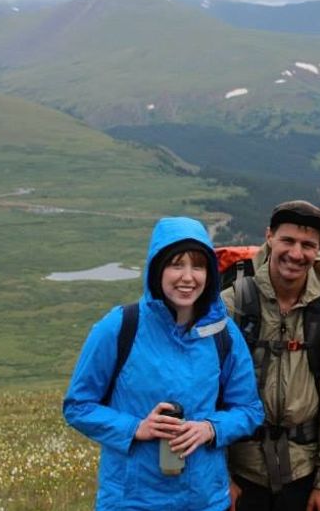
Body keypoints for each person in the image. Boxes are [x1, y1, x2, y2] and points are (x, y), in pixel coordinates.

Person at [63, 216, 265, 511]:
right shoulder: (120, 327)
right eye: (176, 264)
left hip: (204, 499)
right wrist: (136, 428)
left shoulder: (223, 333)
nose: (188, 277)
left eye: (198, 265)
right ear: (157, 269)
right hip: (131, 501)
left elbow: (249, 410)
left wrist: (210, 428)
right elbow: (77, 406)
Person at [222, 200, 320, 511]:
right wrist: (219, 475)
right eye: (288, 240)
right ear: (270, 236)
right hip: (242, 474)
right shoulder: (232, 305)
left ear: (319, 248)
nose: (296, 254)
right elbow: (209, 395)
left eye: (308, 245)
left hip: (304, 474)